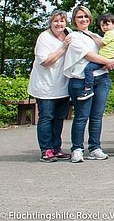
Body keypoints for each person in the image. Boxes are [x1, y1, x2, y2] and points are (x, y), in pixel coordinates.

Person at [63, 6, 114, 162]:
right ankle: (77, 148)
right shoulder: (73, 37)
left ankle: (95, 147)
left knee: (97, 117)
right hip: (81, 80)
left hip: (102, 79)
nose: (83, 19)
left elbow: (111, 47)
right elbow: (89, 55)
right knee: (81, 116)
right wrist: (108, 61)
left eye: (86, 16)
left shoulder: (95, 36)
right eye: (80, 17)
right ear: (74, 20)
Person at [29, 10, 72, 162]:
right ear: (50, 23)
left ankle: (56, 148)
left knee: (59, 118)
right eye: (56, 21)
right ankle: (46, 149)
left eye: (62, 21)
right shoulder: (44, 37)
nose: (59, 24)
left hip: (63, 85)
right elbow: (45, 61)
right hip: (45, 86)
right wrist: (63, 48)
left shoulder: (69, 33)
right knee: (46, 117)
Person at [77, 13, 114, 101]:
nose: (105, 27)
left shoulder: (110, 33)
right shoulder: (112, 33)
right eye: (102, 25)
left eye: (107, 24)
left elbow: (100, 43)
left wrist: (91, 36)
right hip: (108, 58)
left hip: (104, 58)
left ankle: (88, 88)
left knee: (88, 69)